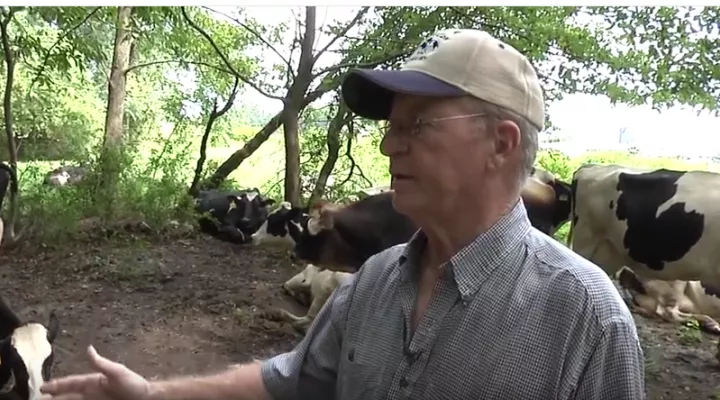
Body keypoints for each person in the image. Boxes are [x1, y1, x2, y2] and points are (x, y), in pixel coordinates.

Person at [40, 28, 645, 400]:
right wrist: (151, 393)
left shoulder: (587, 322)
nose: (388, 146)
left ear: (502, 143)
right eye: (391, 127)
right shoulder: (376, 281)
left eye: (418, 126)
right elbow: (292, 381)